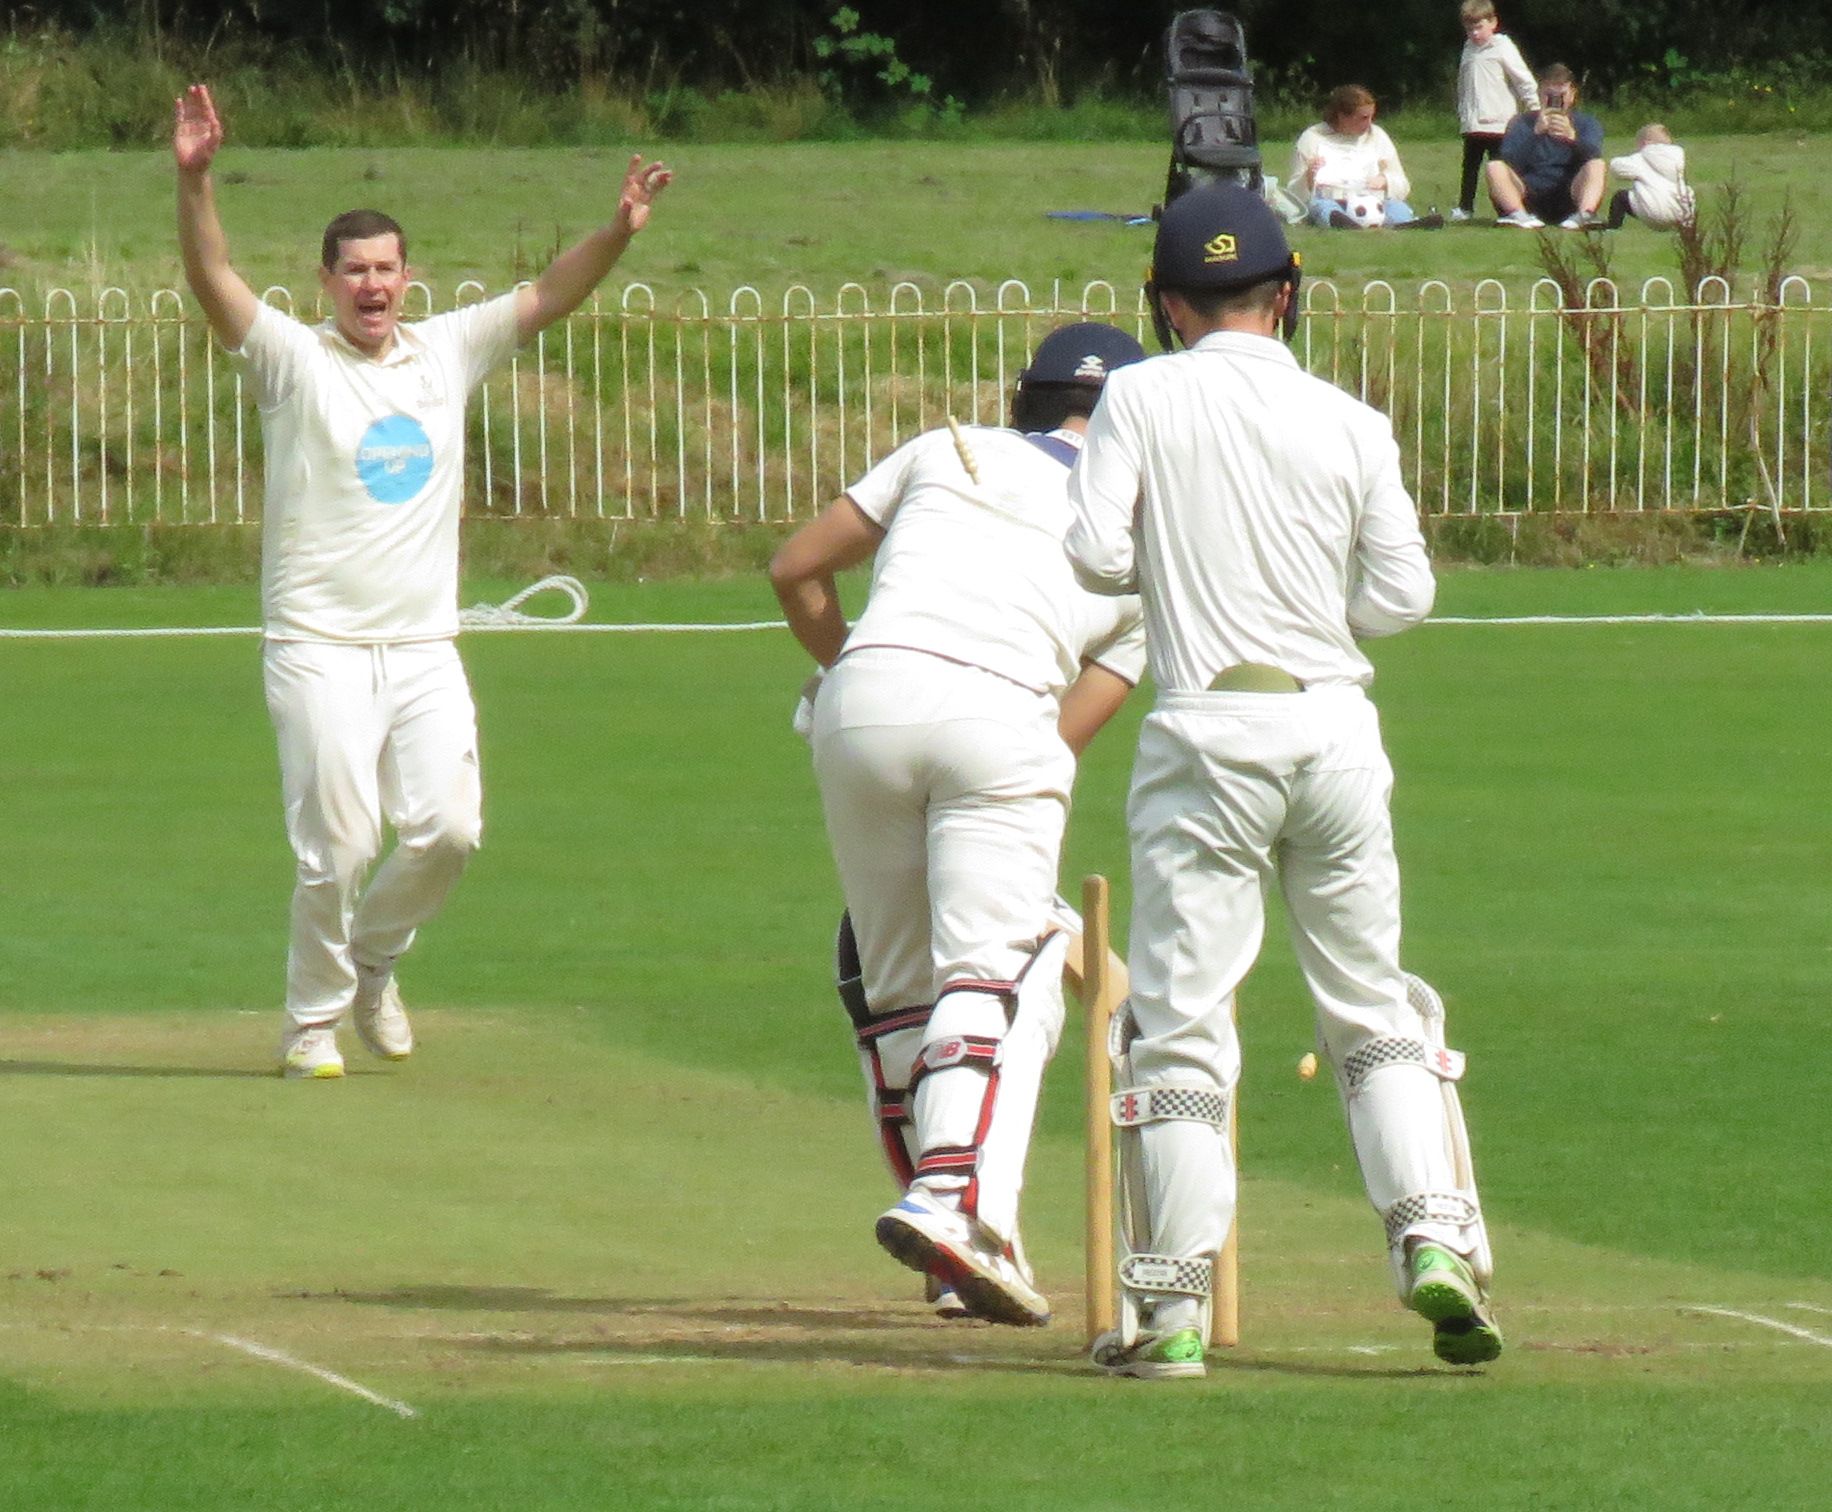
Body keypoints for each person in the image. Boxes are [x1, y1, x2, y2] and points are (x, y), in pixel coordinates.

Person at [1064, 184, 1500, 1379]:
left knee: (1183, 1025)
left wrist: (1180, 570)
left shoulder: (1140, 394)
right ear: (1287, 295)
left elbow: (1094, 552)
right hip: (1335, 731)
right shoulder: (1350, 418)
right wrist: (1315, 614)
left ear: (1163, 305)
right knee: (1369, 1006)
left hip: (1206, 731)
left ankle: (1169, 1317)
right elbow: (1402, 596)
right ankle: (1431, 1239)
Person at [172, 83, 671, 1079]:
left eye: (385, 269)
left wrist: (618, 229)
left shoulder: (448, 350)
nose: (371, 285)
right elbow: (211, 275)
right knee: (340, 848)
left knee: (449, 830)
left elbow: (550, 293)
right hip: (316, 646)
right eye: (353, 270)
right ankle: (311, 1023)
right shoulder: (290, 362)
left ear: (410, 278)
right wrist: (193, 179)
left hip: (423, 645)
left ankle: (375, 959)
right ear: (324, 282)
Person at [769, 324, 1149, 1327]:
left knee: (903, 994)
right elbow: (1063, 735)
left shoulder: (948, 448)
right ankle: (951, 1205)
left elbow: (794, 569)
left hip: (860, 709)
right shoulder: (1138, 543)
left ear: (1025, 397)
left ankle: (954, 1250)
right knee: (1000, 964)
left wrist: (864, 665)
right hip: (1003, 720)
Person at [1289, 86, 1441, 231]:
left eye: (1371, 117)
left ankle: (1404, 224)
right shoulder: (1313, 138)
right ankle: (1343, 224)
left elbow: (1401, 182)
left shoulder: (1377, 136)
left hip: (1373, 200)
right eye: (1363, 118)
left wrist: (1385, 180)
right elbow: (1294, 195)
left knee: (1397, 207)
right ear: (1342, 116)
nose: (1369, 124)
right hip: (1333, 200)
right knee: (1322, 208)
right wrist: (1309, 175)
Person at [1487, 63, 1604, 230]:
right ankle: (1518, 215)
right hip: (1528, 193)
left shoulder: (1587, 123)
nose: (1555, 101)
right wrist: (1535, 134)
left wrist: (1572, 138)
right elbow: (1509, 161)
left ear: (1572, 95)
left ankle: (1585, 215)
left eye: (1561, 95)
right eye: (1549, 95)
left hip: (1569, 193)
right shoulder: (1521, 123)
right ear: (1540, 95)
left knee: (1597, 164)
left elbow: (1592, 156)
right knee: (1494, 166)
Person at [1453, 1, 1539, 222]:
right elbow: (1463, 85)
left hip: (1500, 123)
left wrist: (1534, 109)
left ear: (1493, 22)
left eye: (1479, 27)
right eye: (1469, 29)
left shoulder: (1502, 46)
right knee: (1470, 167)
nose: (1474, 33)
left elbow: (1523, 79)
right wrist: (1463, 112)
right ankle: (1465, 208)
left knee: (1499, 168)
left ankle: (1506, 208)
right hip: (1473, 122)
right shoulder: (1468, 49)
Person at [1606, 123, 1696, 230]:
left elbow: (1616, 168)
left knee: (1620, 197)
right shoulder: (1677, 158)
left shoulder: (1641, 158)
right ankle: (1687, 227)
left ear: (1645, 142)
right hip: (1682, 215)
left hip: (1654, 212)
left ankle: (1613, 225)